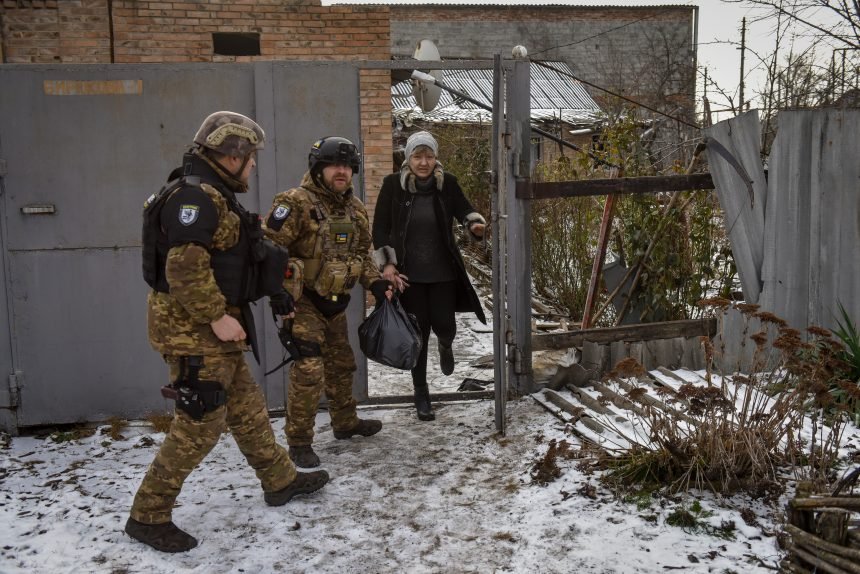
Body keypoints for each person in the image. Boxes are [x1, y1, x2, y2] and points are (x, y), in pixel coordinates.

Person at [128, 111, 329, 553]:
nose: (254, 164)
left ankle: (280, 480)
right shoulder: (197, 197)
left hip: (213, 329)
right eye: (251, 156)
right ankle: (148, 514)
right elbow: (183, 267)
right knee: (200, 424)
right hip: (194, 330)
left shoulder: (214, 194)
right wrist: (218, 316)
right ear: (231, 155)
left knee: (246, 407)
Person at [263, 136, 392, 469]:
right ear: (318, 168)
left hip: (337, 302)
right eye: (335, 165)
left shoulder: (355, 208)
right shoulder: (294, 202)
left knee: (341, 365)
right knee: (309, 370)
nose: (342, 172)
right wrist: (276, 291)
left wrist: (375, 282)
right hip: (304, 301)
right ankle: (299, 440)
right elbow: (267, 250)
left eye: (348, 167)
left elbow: (363, 253)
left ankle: (345, 422)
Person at [372, 131, 487, 422]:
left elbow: (464, 208)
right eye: (417, 156)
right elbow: (380, 227)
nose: (423, 162)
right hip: (409, 276)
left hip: (443, 272)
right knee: (418, 335)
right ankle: (421, 392)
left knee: (445, 323)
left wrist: (473, 222)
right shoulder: (392, 186)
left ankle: (446, 343)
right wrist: (387, 264)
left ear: (436, 158)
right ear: (408, 158)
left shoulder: (446, 183)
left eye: (429, 156)